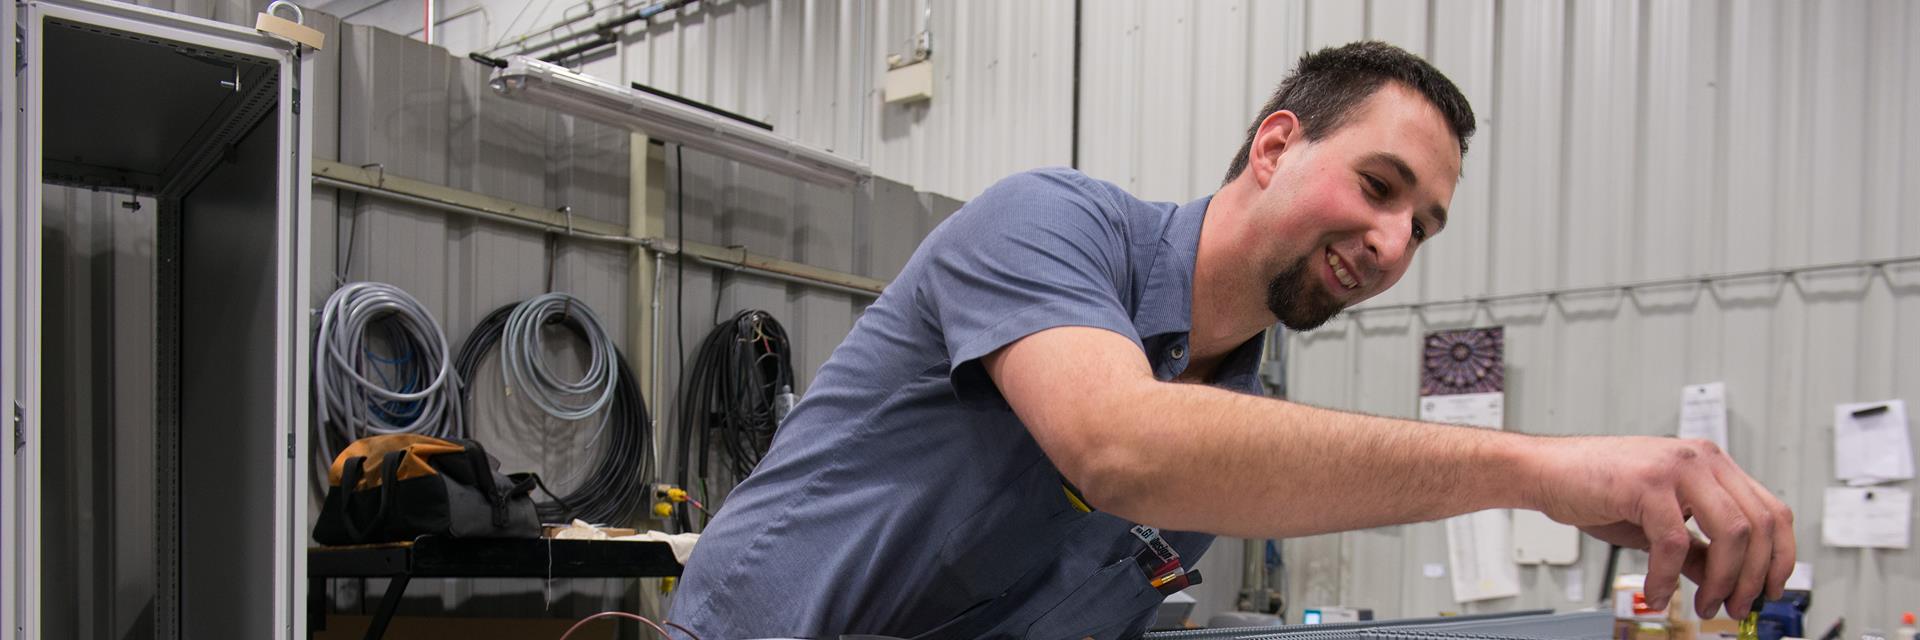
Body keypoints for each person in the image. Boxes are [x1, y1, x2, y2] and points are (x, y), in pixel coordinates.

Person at [668, 40, 1794, 639]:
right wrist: (1539, 471)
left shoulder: (1230, 445)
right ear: (1273, 146)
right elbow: (1121, 446)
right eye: (1379, 184)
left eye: (1424, 225)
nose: (1395, 242)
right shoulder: (1046, 222)